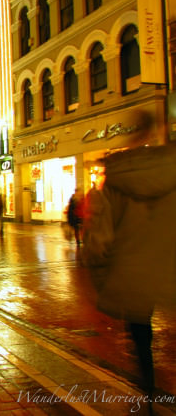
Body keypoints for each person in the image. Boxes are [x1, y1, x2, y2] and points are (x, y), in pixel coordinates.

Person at [82, 112, 176, 397]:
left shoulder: (116, 181)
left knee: (140, 332)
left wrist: (98, 275)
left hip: (132, 272)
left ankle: (148, 383)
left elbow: (101, 238)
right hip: (169, 266)